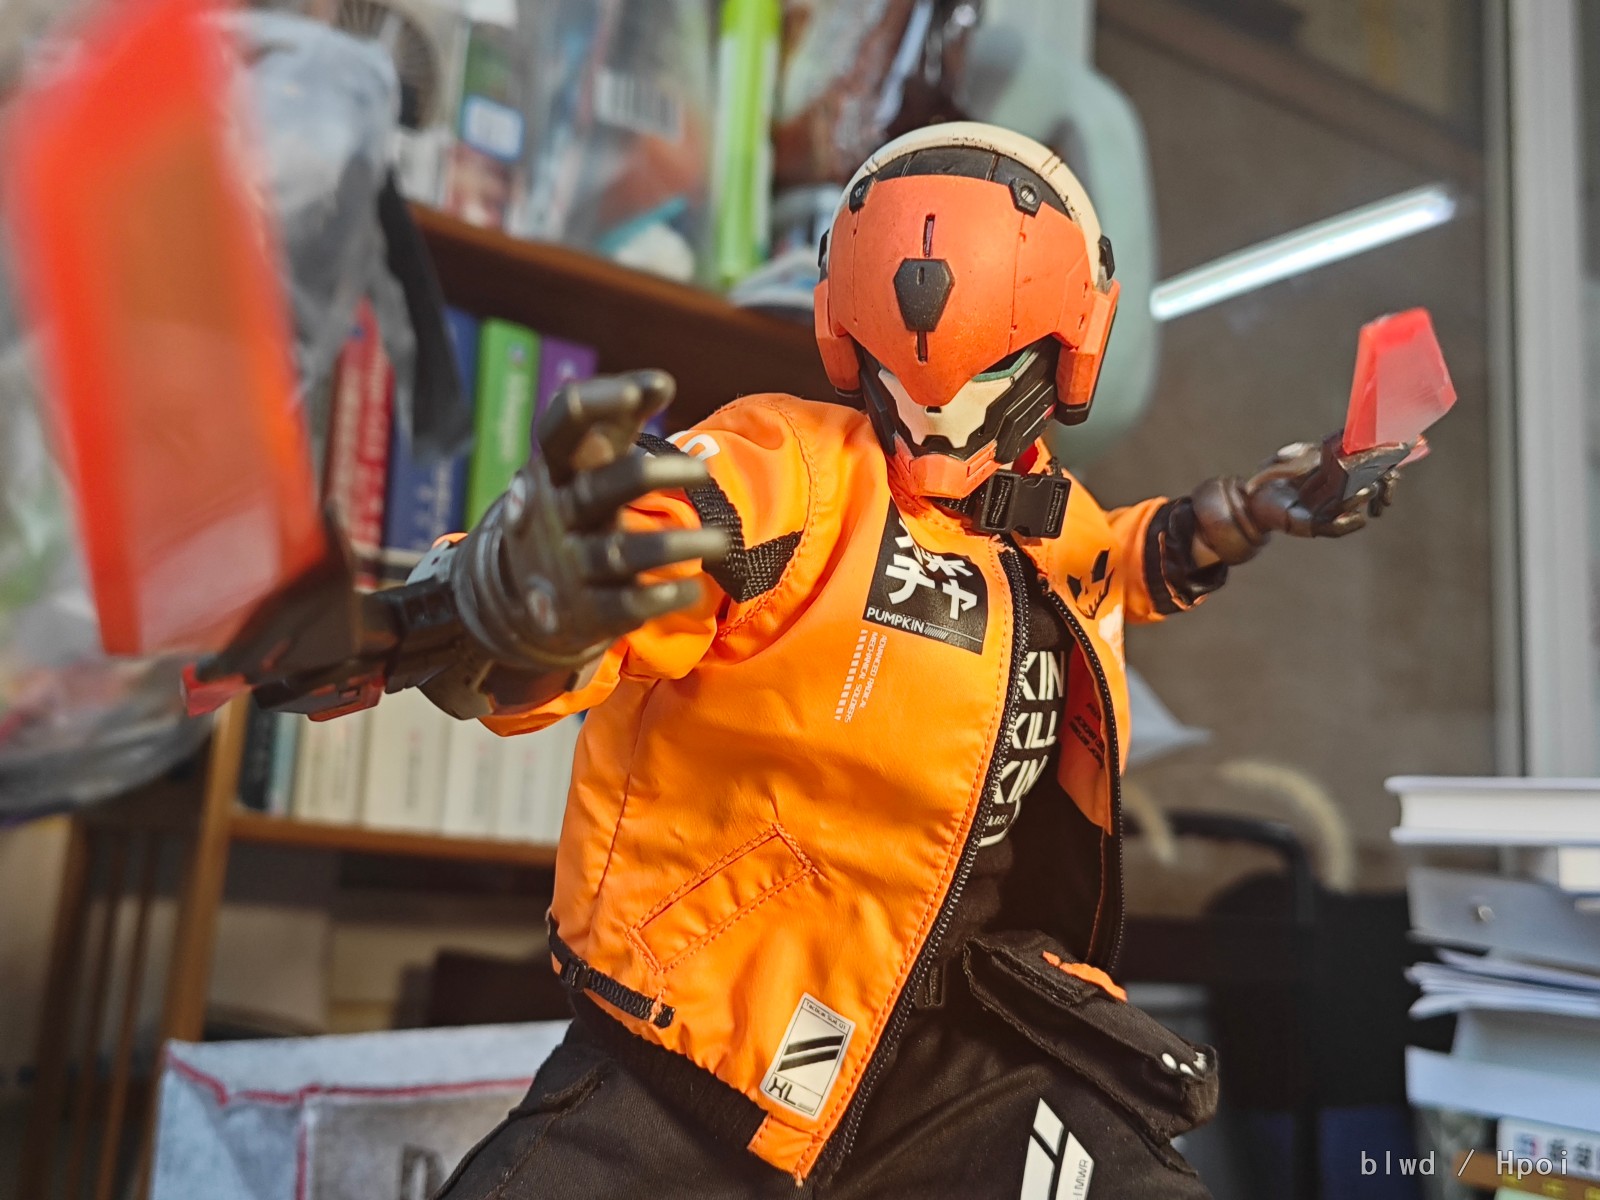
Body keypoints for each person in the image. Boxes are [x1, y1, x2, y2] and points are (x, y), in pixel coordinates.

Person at [300, 122, 1413, 1198]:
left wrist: (1244, 513)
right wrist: (481, 609)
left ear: (1064, 350)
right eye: (908, 375)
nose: (939, 416)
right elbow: (661, 538)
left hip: (968, 1046)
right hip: (709, 1050)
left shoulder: (1041, 515)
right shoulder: (791, 470)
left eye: (989, 375)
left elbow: (1113, 562)